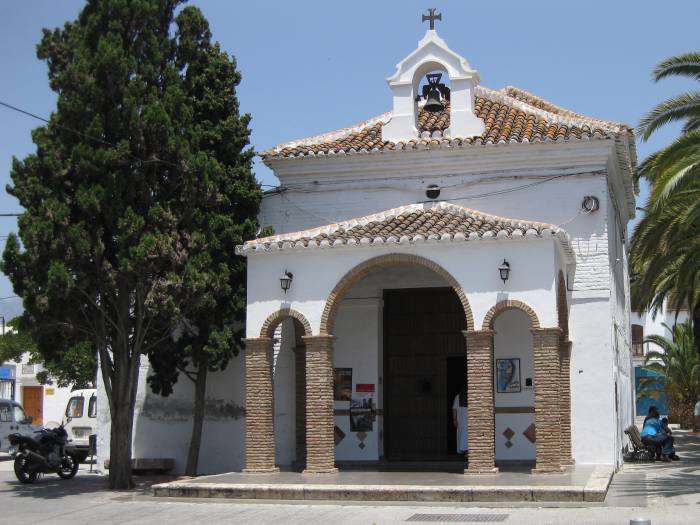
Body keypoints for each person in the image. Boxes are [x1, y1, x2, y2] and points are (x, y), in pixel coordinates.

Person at [452, 387, 468, 456]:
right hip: (467, 420)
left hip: (461, 420)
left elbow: (454, 409)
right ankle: (467, 453)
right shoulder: (471, 396)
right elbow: (454, 409)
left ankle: (466, 452)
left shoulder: (458, 397)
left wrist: (455, 420)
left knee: (463, 435)